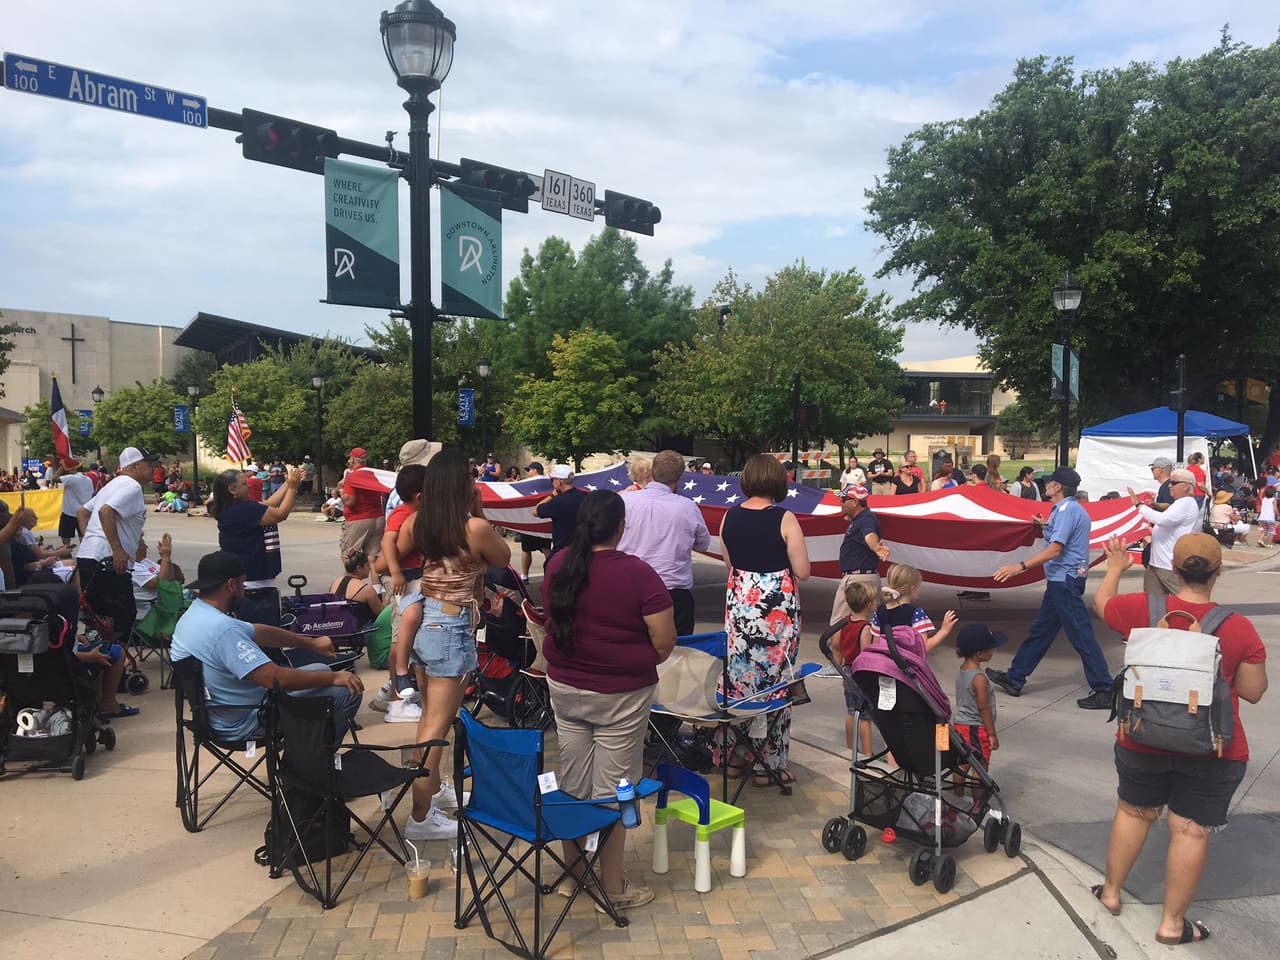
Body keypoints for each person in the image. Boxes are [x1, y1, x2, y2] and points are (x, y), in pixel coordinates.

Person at [1090, 533, 1267, 944]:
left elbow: (1102, 605)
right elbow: (1254, 692)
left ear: (1173, 569)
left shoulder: (1141, 609)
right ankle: (1172, 925)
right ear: (1218, 572)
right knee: (1189, 830)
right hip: (1213, 748)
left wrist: (1116, 567)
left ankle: (1112, 894)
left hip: (1141, 737)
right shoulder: (1238, 628)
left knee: (1133, 812)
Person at [543, 490, 676, 911]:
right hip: (620, 693)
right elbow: (664, 641)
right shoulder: (637, 574)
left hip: (566, 687)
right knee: (615, 789)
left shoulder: (559, 564)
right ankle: (613, 888)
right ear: (620, 527)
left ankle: (574, 874)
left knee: (575, 781)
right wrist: (632, 663)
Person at [398, 449, 511, 841]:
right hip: (451, 625)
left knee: (428, 719)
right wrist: (478, 508)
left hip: (427, 618)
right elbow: (503, 556)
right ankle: (420, 815)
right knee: (437, 726)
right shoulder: (474, 527)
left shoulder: (418, 521)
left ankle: (424, 796)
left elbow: (392, 553)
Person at [170, 551, 364, 740]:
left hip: (215, 716)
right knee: (347, 688)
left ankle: (306, 759)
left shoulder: (195, 615)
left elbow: (260, 632)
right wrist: (334, 677)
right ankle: (312, 766)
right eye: (242, 583)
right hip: (249, 720)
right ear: (231, 584)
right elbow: (274, 679)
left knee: (320, 669)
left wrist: (311, 643)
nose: (244, 589)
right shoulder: (222, 629)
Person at [717, 454, 811, 786]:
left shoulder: (729, 517)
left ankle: (733, 758)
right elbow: (803, 571)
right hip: (776, 614)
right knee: (776, 682)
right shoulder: (784, 519)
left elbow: (731, 562)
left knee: (739, 680)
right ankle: (767, 764)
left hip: (741, 607)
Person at [987, 466, 1113, 709]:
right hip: (1061, 580)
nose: (1046, 485)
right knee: (1041, 632)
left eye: (1049, 482)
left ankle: (1104, 688)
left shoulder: (1067, 511)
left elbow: (1057, 549)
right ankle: (1015, 677)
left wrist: (1019, 566)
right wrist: (1045, 525)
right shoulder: (1069, 509)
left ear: (1057, 487)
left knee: (1081, 635)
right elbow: (1064, 535)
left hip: (1064, 581)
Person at [616, 449, 711, 636]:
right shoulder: (687, 507)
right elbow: (703, 544)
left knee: (630, 648)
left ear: (652, 473)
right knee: (678, 654)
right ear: (679, 478)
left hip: (629, 589)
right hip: (672, 593)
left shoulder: (624, 501)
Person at [76, 447, 158, 652]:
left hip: (90, 557)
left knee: (99, 620)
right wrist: (117, 549)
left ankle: (98, 665)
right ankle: (112, 667)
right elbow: (106, 511)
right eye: (149, 464)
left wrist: (92, 539)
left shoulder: (111, 486)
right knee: (120, 619)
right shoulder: (132, 487)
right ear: (135, 466)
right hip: (107, 562)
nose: (153, 468)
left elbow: (83, 513)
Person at [208, 464, 303, 626]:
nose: (249, 485)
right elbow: (280, 514)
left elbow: (268, 504)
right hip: (252, 583)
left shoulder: (235, 508)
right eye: (244, 484)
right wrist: (293, 489)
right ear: (232, 490)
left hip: (246, 580)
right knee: (260, 633)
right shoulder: (243, 510)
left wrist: (288, 483)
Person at [373, 463, 428, 722]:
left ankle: (392, 691)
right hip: (401, 578)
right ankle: (399, 700)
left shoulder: (410, 512)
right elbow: (387, 542)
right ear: (420, 495)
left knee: (405, 630)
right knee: (402, 631)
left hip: (409, 576)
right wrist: (395, 572)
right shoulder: (403, 514)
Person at [1128, 467, 1200, 596]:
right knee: (1154, 600)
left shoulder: (1185, 503)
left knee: (1184, 597)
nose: (1170, 486)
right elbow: (1168, 514)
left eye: (1173, 483)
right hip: (1158, 562)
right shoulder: (1182, 503)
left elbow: (1163, 519)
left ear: (1185, 486)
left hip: (1168, 564)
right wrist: (1154, 505)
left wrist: (1139, 505)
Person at [952, 623, 1005, 798]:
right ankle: (978, 803)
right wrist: (991, 734)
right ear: (980, 654)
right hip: (976, 728)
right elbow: (984, 708)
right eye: (991, 648)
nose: (993, 650)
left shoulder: (961, 672)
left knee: (962, 764)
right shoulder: (980, 679)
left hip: (960, 726)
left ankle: (958, 797)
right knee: (980, 767)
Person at [829, 579, 878, 757]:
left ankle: (849, 749)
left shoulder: (845, 622)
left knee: (851, 712)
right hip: (861, 673)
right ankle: (867, 753)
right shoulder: (865, 627)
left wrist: (839, 663)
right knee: (865, 716)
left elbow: (835, 643)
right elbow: (865, 652)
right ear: (869, 605)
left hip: (847, 670)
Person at [829, 484, 890, 624]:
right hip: (862, 577)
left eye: (844, 500)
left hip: (858, 579)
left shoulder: (866, 519)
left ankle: (837, 646)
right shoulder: (860, 519)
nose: (841, 503)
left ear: (855, 502)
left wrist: (876, 547)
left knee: (839, 624)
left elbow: (869, 535)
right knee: (870, 624)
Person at [871, 563, 957, 652]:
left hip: (883, 663)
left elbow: (875, 644)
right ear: (913, 589)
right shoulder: (916, 613)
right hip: (906, 664)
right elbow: (924, 647)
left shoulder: (879, 611)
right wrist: (944, 630)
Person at [340, 447, 386, 561]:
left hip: (359, 519)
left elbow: (350, 501)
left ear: (353, 460)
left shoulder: (352, 476)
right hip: (378, 518)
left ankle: (351, 579)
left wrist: (341, 492)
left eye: (350, 457)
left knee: (348, 556)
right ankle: (375, 579)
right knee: (373, 557)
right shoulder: (373, 474)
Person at [534, 464, 587, 556]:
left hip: (562, 552)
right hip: (583, 550)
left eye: (553, 480)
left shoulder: (557, 502)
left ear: (559, 482)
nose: (552, 483)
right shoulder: (585, 497)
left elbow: (536, 511)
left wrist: (552, 495)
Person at [328, 549, 385, 627]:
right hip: (359, 632)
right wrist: (389, 596)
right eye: (367, 565)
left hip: (338, 628)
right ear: (358, 568)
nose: (370, 568)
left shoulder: (335, 583)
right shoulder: (366, 589)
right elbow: (381, 615)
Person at [519, 462, 552, 582]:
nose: (527, 473)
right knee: (544, 549)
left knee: (528, 549)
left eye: (529, 470)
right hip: (539, 521)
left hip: (532, 521)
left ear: (536, 470)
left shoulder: (530, 484)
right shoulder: (549, 483)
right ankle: (549, 574)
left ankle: (525, 576)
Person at [53, 460, 94, 548]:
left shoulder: (71, 478)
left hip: (69, 512)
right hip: (84, 512)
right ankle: (85, 551)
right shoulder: (88, 479)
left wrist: (62, 466)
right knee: (83, 535)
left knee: (66, 535)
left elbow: (54, 478)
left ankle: (66, 551)